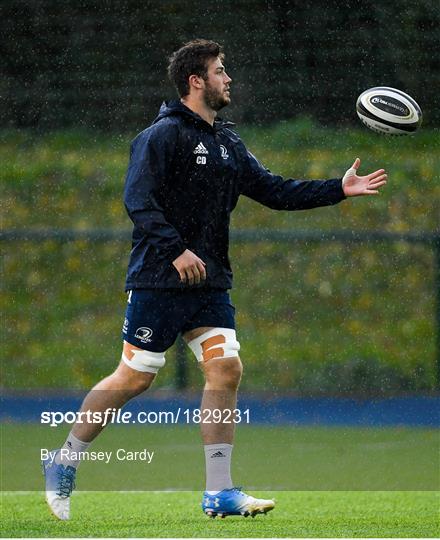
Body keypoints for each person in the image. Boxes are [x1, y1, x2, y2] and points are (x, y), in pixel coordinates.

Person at [42, 39, 387, 520]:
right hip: (159, 280)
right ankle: (64, 458)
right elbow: (138, 202)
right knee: (134, 378)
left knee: (226, 369)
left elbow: (273, 190)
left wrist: (339, 189)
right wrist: (176, 249)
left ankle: (219, 490)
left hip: (210, 283)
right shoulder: (160, 136)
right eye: (221, 71)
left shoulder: (227, 141)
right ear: (195, 81)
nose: (229, 79)